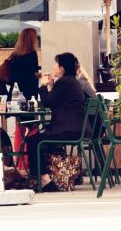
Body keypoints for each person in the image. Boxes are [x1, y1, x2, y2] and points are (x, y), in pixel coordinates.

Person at [27, 52, 87, 192]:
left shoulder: (65, 82)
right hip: (74, 128)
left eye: (56, 64)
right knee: (40, 141)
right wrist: (51, 86)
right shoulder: (71, 81)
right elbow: (56, 101)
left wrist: (42, 86)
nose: (54, 66)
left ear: (62, 68)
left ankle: (44, 180)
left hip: (67, 129)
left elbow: (47, 102)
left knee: (33, 141)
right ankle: (49, 177)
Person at [0, 27, 40, 99]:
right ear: (32, 39)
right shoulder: (32, 54)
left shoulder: (15, 54)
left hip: (15, 91)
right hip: (28, 91)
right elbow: (32, 74)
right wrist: (41, 76)